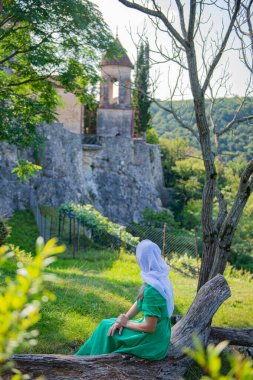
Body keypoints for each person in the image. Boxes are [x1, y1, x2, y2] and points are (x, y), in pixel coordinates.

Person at [76, 239, 174, 360]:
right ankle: (82, 358)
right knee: (107, 324)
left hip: (152, 344)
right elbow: (140, 303)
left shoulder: (152, 290)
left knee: (106, 329)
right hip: (160, 336)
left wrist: (126, 323)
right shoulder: (159, 277)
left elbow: (149, 327)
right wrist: (125, 317)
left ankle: (87, 362)